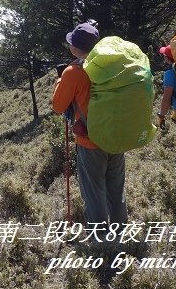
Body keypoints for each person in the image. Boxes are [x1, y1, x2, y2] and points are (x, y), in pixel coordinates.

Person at [51, 22, 128, 229]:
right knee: (116, 189)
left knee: (94, 192)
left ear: (75, 48)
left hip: (90, 140)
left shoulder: (73, 72)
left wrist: (60, 80)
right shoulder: (113, 65)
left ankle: (101, 239)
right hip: (117, 135)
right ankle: (120, 233)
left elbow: (58, 106)